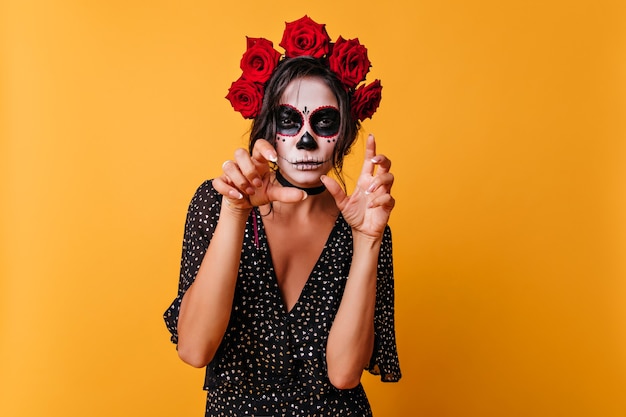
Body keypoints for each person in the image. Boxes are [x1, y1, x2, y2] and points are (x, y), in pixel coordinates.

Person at [164, 16, 401, 416]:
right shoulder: (217, 201)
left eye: (323, 121)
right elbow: (193, 348)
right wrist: (236, 210)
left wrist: (368, 240)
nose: (305, 140)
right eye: (290, 120)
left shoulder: (364, 223)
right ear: (268, 128)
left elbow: (344, 374)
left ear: (344, 133)